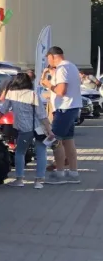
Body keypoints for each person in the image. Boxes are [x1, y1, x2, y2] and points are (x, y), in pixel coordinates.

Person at [0, 72, 49, 188]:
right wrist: (49, 130)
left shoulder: (11, 94)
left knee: (20, 153)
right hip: (38, 127)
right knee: (41, 153)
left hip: (24, 129)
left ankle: (19, 180)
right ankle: (39, 181)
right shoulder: (33, 94)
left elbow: (3, 110)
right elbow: (42, 114)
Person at [40, 46, 82, 184]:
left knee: (55, 141)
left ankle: (59, 174)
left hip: (64, 109)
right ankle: (73, 173)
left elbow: (61, 90)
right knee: (68, 141)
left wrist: (47, 84)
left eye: (48, 59)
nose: (48, 62)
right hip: (72, 107)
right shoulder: (71, 66)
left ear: (52, 56)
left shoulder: (62, 68)